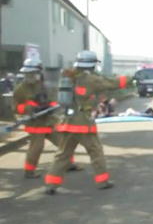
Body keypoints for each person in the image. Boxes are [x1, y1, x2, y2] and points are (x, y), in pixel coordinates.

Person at [44, 50, 129, 194]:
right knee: (96, 152)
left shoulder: (69, 77)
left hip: (68, 121)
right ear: (92, 65)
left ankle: (51, 184)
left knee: (62, 155)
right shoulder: (90, 79)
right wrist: (128, 79)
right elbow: (110, 83)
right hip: (82, 122)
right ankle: (102, 181)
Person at [12, 57, 80, 178]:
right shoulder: (20, 89)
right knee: (36, 148)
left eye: (32, 73)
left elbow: (53, 99)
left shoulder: (44, 85)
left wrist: (51, 106)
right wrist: (28, 108)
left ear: (38, 72)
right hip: (36, 123)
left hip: (49, 120)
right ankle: (29, 172)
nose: (30, 76)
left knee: (64, 143)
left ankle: (68, 164)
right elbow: (15, 108)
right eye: (28, 73)